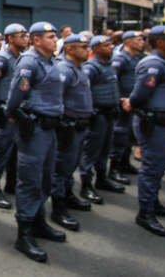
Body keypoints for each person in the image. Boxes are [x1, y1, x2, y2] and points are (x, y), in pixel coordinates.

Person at [6, 22, 66, 263]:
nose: (56, 40)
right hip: (35, 129)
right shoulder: (30, 61)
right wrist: (15, 115)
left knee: (45, 177)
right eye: (51, 37)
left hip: (50, 129)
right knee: (30, 179)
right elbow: (14, 98)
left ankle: (39, 220)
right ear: (37, 40)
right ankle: (24, 232)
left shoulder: (50, 61)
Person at [122, 25, 165, 236]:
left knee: (160, 164)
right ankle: (145, 212)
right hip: (153, 123)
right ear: (160, 43)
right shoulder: (153, 64)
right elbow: (140, 93)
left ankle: (153, 202)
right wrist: (132, 103)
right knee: (152, 166)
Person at [50, 34, 93, 232]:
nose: (87, 50)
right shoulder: (64, 70)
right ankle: (58, 208)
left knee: (72, 164)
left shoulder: (80, 68)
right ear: (70, 49)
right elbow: (56, 100)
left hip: (81, 126)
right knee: (62, 167)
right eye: (83, 47)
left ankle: (68, 196)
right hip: (68, 127)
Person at [0, 23, 29, 209]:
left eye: (26, 35)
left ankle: (11, 183)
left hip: (19, 111)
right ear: (10, 38)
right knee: (1, 150)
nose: (25, 38)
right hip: (4, 111)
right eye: (21, 35)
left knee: (16, 151)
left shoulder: (23, 58)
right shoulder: (2, 59)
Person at [79, 35, 125, 205]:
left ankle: (102, 178)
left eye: (111, 45)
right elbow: (85, 92)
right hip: (97, 115)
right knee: (91, 150)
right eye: (106, 45)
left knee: (105, 149)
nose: (110, 47)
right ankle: (86, 184)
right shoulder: (91, 68)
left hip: (109, 114)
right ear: (96, 49)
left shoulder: (109, 66)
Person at [110, 30, 145, 180]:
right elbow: (113, 81)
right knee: (120, 135)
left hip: (132, 103)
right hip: (123, 104)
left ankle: (125, 162)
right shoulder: (120, 59)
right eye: (138, 40)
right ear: (128, 42)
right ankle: (114, 168)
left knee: (130, 136)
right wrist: (121, 100)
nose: (142, 42)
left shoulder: (136, 58)